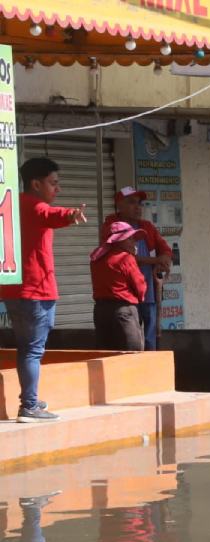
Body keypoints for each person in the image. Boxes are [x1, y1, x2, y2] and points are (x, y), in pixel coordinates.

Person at [0, 158, 87, 423]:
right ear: (35, 184)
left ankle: (31, 401)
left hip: (14, 290)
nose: (57, 189)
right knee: (32, 350)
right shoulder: (35, 205)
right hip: (36, 290)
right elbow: (51, 214)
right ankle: (29, 405)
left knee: (28, 348)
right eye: (53, 183)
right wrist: (71, 215)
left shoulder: (13, 206)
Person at [101, 187, 172, 350]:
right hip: (124, 298)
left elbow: (165, 249)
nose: (138, 207)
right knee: (130, 339)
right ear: (119, 205)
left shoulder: (147, 226)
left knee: (150, 336)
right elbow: (123, 258)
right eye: (131, 202)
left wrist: (165, 260)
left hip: (148, 291)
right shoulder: (111, 226)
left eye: (139, 203)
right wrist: (155, 259)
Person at [89, 221, 147, 351]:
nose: (134, 242)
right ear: (119, 241)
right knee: (132, 356)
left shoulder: (96, 259)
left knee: (105, 356)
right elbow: (140, 287)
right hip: (123, 311)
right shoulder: (125, 258)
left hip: (100, 312)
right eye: (130, 239)